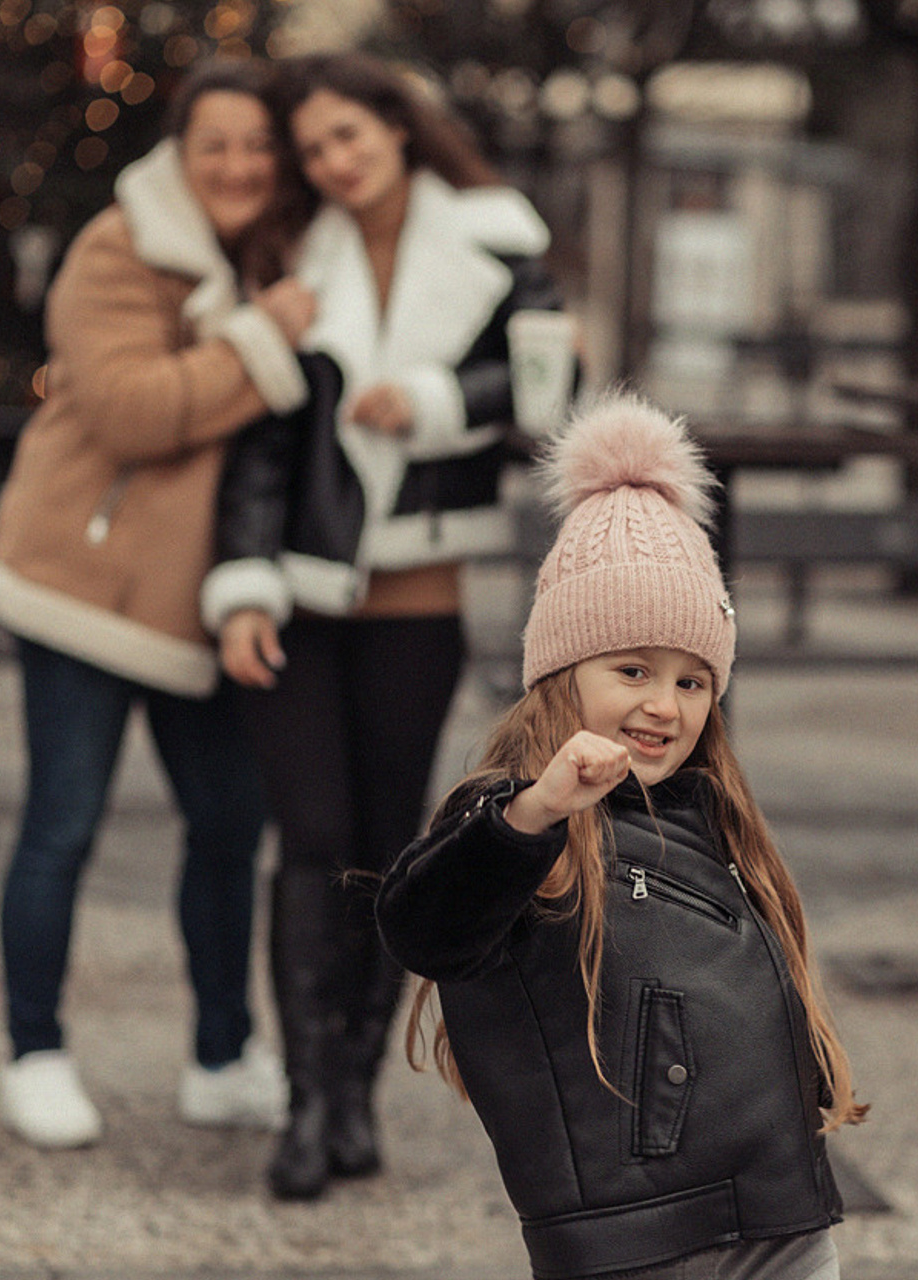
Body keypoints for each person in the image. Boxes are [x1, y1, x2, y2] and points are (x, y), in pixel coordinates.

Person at [376, 394, 869, 1280]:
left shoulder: (707, 807)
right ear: (562, 671)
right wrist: (535, 814)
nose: (663, 704)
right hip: (632, 1236)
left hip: (781, 1216)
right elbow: (422, 928)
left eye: (691, 681)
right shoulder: (516, 820)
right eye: (632, 670)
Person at [200, 50, 570, 1201]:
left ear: (400, 127)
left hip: (418, 588)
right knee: (308, 841)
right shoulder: (287, 259)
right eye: (313, 148)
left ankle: (355, 1092)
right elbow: (261, 443)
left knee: (378, 845)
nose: (331, 162)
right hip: (300, 592)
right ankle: (310, 1104)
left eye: (348, 136)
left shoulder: (497, 240)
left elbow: (551, 384)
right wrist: (244, 581)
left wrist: (436, 400)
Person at [0, 58, 318, 1150]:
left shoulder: (281, 254)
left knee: (228, 827)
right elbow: (127, 411)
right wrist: (264, 341)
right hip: (83, 578)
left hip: (205, 601)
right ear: (178, 149)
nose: (238, 165)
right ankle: (35, 1052)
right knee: (61, 825)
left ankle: (220, 1053)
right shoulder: (119, 247)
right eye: (215, 144)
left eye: (258, 146)